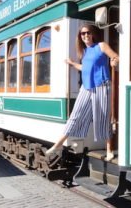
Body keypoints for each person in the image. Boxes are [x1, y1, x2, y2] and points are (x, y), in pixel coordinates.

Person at [46, 24, 119, 161]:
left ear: (93, 34)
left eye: (87, 33)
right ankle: (59, 144)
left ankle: (109, 150)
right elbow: (85, 68)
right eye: (82, 34)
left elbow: (116, 57)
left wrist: (114, 62)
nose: (85, 35)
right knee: (75, 115)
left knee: (103, 117)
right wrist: (72, 63)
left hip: (102, 86)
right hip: (86, 88)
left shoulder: (101, 46)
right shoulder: (85, 51)